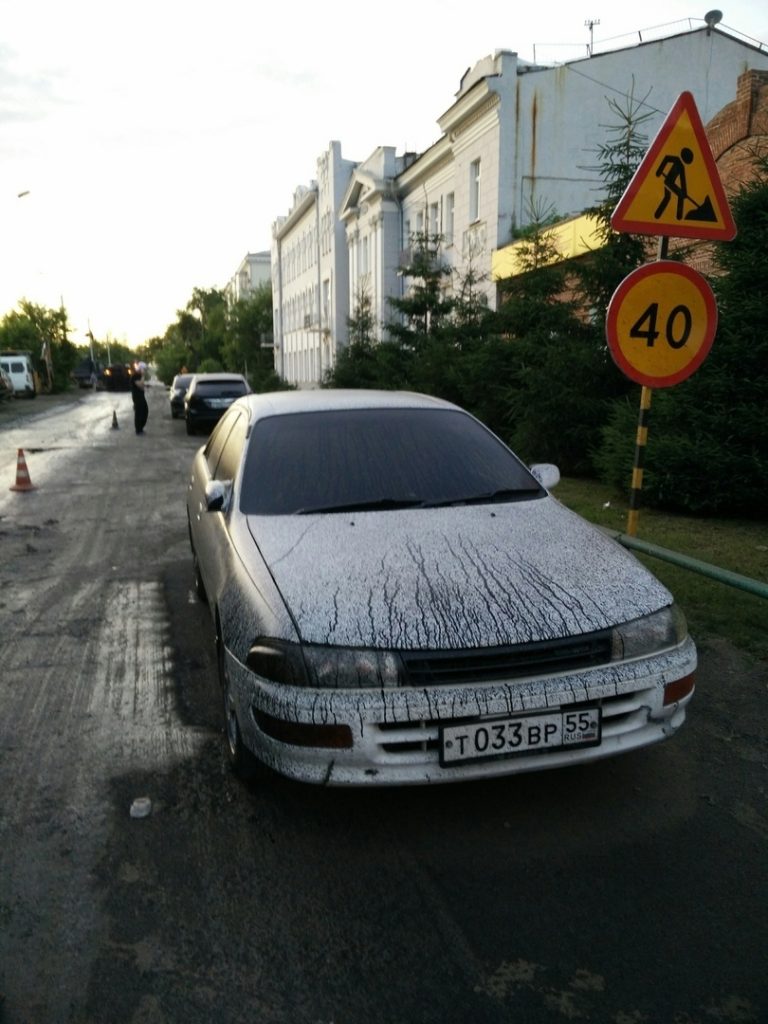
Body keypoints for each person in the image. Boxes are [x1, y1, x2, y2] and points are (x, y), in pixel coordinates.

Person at [131, 367, 149, 434]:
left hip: (141, 396)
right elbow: (140, 385)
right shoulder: (135, 376)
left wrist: (146, 385)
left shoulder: (139, 376)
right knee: (139, 412)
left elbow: (142, 385)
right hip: (137, 397)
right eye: (144, 370)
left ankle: (140, 428)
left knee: (145, 411)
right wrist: (143, 376)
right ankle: (138, 429)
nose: (144, 371)